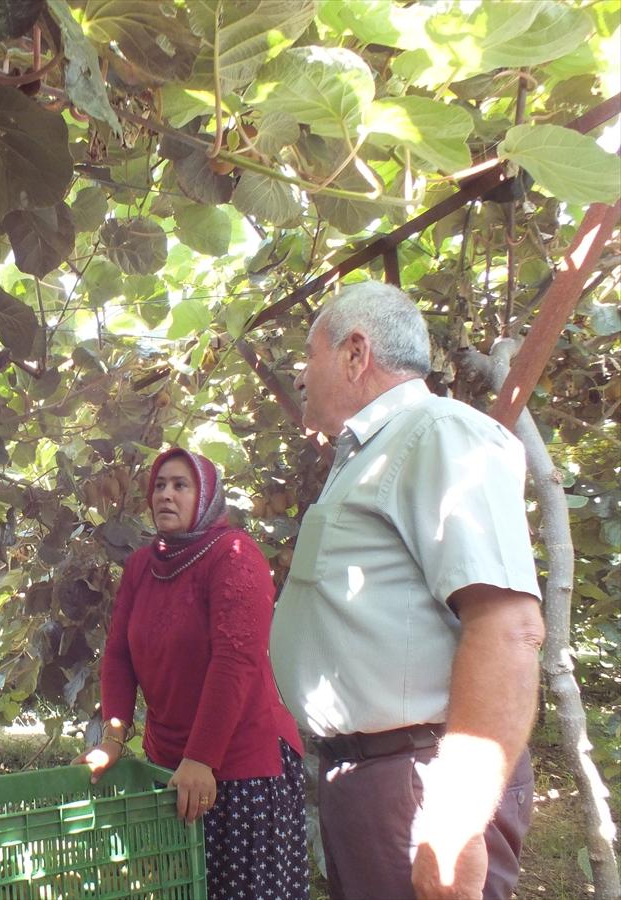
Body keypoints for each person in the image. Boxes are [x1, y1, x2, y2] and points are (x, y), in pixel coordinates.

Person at [269, 280, 545, 900]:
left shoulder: (438, 434)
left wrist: (454, 819)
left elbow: (508, 627)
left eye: (309, 354)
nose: (300, 373)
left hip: (418, 780)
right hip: (372, 775)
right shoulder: (376, 452)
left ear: (354, 352)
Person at [78, 448, 309, 899]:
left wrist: (202, 758)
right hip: (170, 765)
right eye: (160, 485)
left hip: (242, 766)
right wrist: (111, 739)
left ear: (205, 496)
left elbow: (235, 661)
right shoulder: (142, 566)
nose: (166, 494)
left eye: (181, 485)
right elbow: (119, 656)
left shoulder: (235, 555)